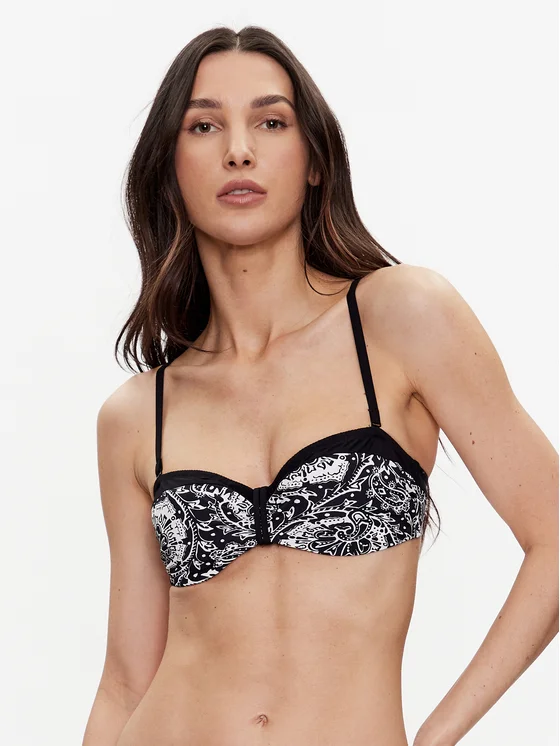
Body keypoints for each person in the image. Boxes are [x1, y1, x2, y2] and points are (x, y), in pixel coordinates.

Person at [82, 25, 559, 746]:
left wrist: (435, 737)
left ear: (313, 161)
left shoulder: (402, 318)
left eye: (271, 122)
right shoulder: (136, 414)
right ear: (170, 168)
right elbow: (124, 680)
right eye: (204, 126)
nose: (238, 150)